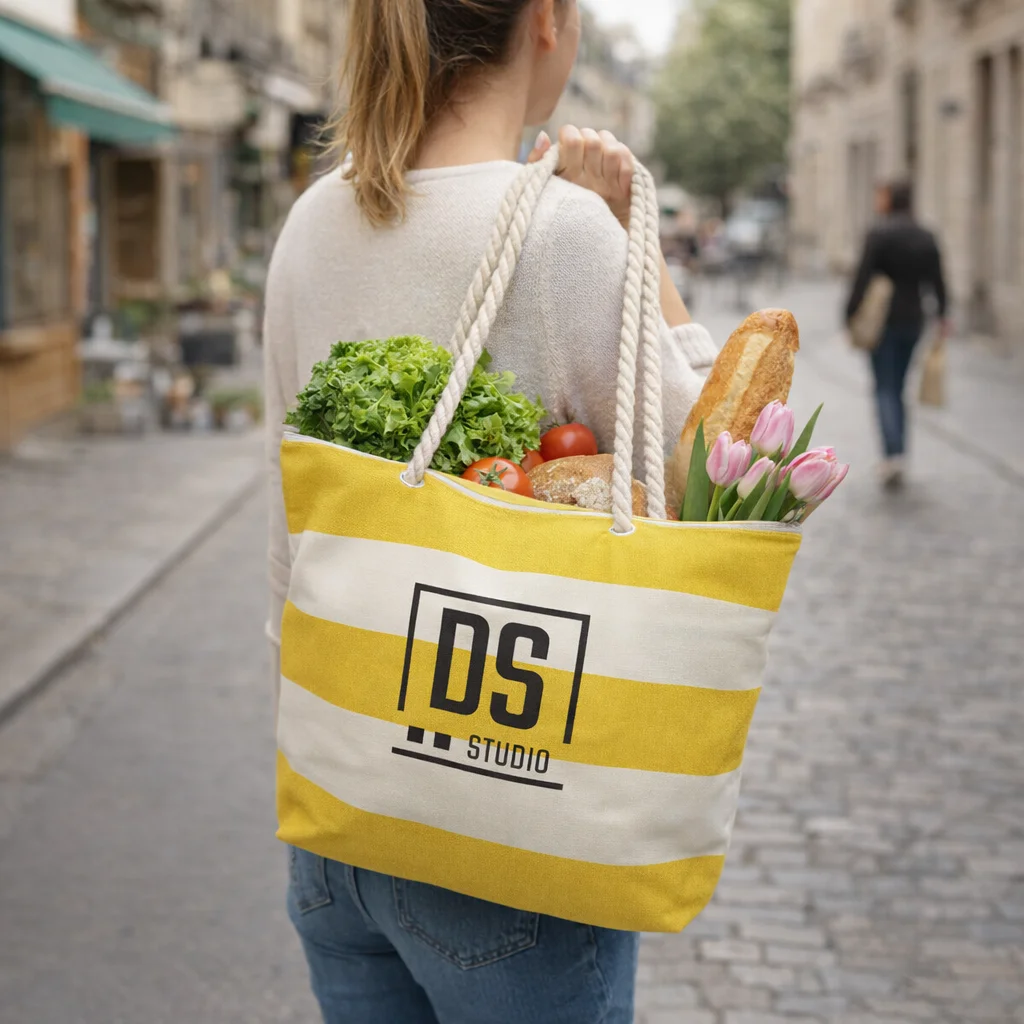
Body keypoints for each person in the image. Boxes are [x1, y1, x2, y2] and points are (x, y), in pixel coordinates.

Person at [262, 2, 718, 1022]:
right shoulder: (562, 233)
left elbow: (287, 534)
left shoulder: (311, 221)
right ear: (546, 23)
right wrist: (640, 258)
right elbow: (721, 478)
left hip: (337, 814)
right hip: (506, 826)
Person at [846, 180, 949, 488]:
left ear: (890, 199)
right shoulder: (925, 235)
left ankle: (892, 454)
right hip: (913, 319)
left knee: (884, 387)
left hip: (882, 320)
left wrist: (849, 314)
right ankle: (900, 452)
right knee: (899, 386)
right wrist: (943, 313)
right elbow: (938, 279)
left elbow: (862, 277)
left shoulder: (879, 234)